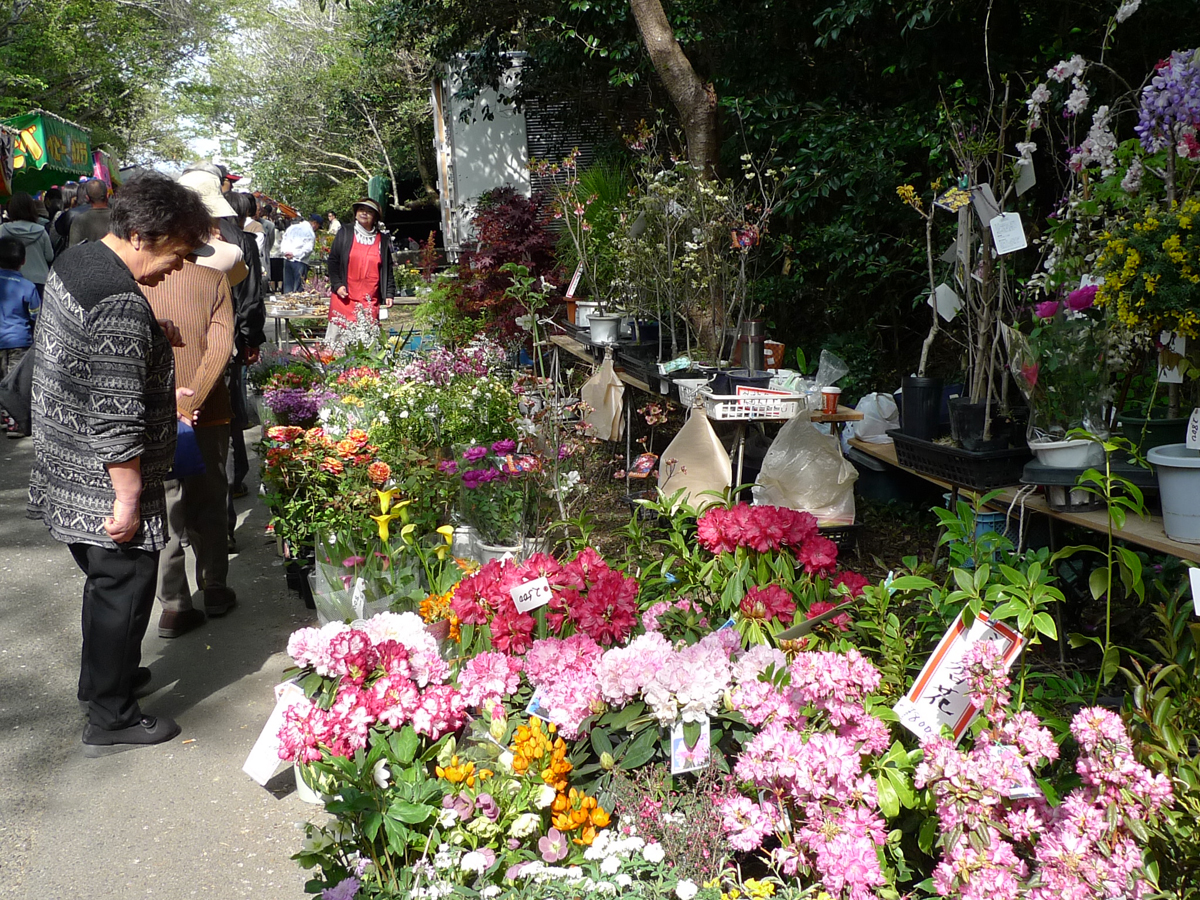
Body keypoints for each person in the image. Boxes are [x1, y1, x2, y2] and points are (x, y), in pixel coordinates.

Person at [27, 172, 211, 755]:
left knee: (106, 585)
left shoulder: (79, 262)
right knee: (123, 585)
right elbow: (115, 415)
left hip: (65, 463)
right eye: (178, 254)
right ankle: (111, 716)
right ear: (140, 235)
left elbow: (90, 365)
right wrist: (128, 499)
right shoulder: (119, 303)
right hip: (102, 481)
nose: (179, 268)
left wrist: (156, 374)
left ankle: (109, 677)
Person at [144, 260, 236, 638]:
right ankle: (213, 587)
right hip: (207, 411)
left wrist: (173, 406)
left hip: (152, 410)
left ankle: (175, 605)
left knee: (165, 509)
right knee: (209, 500)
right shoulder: (213, 280)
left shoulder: (137, 280)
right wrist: (192, 402)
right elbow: (220, 349)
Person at [324, 198, 396, 342]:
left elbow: (387, 268)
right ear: (356, 213)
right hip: (344, 298)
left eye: (369, 211)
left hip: (369, 300)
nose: (364, 213)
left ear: (375, 217)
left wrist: (389, 293)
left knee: (366, 347)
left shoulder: (383, 240)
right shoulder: (345, 232)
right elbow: (333, 261)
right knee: (337, 347)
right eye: (361, 210)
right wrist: (337, 285)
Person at [0, 236, 40, 436]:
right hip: (19, 341)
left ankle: (2, 416)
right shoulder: (28, 286)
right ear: (23, 261)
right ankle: (14, 422)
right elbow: (35, 317)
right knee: (14, 382)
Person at [0, 192, 54, 298]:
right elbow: (49, 256)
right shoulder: (41, 231)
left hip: (10, 280)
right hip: (39, 281)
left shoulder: (2, 230)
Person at [280, 214, 319, 293]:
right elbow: (308, 248)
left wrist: (286, 253)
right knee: (298, 290)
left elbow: (283, 242)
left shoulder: (291, 228)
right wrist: (295, 254)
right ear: (315, 223)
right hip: (300, 261)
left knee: (288, 288)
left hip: (287, 260)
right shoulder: (310, 232)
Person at [68, 180, 112, 247]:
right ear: (107, 195)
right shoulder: (119, 217)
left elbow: (73, 250)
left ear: (87, 198)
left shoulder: (79, 221)